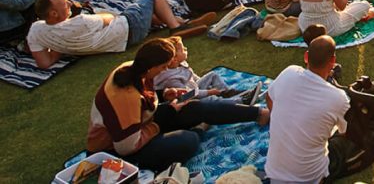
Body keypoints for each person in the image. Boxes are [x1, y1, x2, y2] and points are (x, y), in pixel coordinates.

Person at [87, 39, 267, 172]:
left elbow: (144, 100)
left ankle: (258, 113)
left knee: (195, 106)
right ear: (151, 67)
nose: (165, 71)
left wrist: (165, 94)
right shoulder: (126, 96)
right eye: (164, 67)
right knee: (188, 140)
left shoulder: (134, 69)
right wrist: (160, 122)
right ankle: (199, 129)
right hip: (118, 151)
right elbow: (126, 146)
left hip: (142, 125)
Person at [27, 0, 206, 69]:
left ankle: (181, 21)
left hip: (119, 41)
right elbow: (109, 18)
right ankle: (176, 27)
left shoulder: (35, 31)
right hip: (127, 29)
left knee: (146, 14)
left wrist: (60, 44)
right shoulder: (80, 22)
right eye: (64, 3)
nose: (68, 3)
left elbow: (44, 63)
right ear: (53, 13)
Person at [265, 35, 353, 184]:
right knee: (349, 143)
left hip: (274, 174)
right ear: (332, 61)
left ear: (306, 56)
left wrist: (287, 120)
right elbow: (346, 132)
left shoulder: (289, 72)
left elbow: (269, 98)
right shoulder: (338, 98)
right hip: (311, 178)